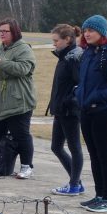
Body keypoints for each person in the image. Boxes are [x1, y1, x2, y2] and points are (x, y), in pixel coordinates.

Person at [76, 15, 107, 213]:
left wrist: (94, 97)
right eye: (85, 29)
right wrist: (78, 94)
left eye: (92, 30)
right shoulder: (88, 53)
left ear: (102, 33)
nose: (87, 33)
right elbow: (84, 81)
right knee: (94, 156)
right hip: (87, 112)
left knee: (105, 157)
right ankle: (99, 195)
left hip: (106, 114)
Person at [0, 19, 37, 179]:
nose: (2, 34)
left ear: (14, 32)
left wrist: (0, 62)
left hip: (18, 99)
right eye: (0, 31)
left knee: (21, 134)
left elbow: (23, 69)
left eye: (5, 31)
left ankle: (26, 166)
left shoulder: (24, 49)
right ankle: (0, 162)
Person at [47, 24, 84, 195]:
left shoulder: (73, 58)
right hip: (60, 109)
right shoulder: (63, 57)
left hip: (69, 111)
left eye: (56, 40)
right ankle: (76, 181)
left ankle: (74, 185)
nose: (54, 44)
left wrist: (70, 101)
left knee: (74, 146)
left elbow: (81, 84)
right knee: (56, 146)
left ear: (67, 39)